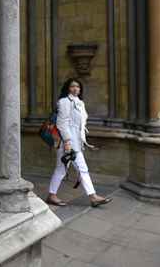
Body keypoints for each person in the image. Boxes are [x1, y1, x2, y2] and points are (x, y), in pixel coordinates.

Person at [47, 78, 112, 208]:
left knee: (68, 169)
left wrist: (83, 141)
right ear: (67, 88)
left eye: (78, 86)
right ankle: (92, 196)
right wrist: (67, 141)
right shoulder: (64, 102)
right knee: (73, 169)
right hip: (68, 143)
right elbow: (62, 123)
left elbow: (80, 125)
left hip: (77, 143)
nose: (76, 89)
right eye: (72, 86)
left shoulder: (80, 103)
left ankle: (52, 195)